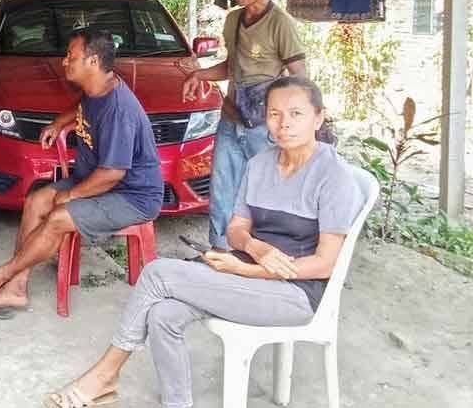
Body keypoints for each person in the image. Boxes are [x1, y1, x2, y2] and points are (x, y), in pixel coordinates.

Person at [44, 76, 363, 408]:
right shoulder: (259, 164)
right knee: (163, 314)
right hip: (248, 268)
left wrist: (247, 269)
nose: (284, 124)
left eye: (296, 114)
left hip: (295, 292)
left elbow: (325, 263)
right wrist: (257, 249)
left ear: (319, 117)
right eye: (274, 114)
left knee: (156, 274)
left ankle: (104, 376)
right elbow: (237, 229)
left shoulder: (333, 175)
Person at [0, 28, 164, 317]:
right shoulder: (98, 88)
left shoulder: (119, 110)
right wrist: (59, 123)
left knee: (57, 216)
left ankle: (0, 276)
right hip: (95, 181)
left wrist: (70, 195)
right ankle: (17, 287)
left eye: (71, 56)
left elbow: (112, 174)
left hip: (131, 196)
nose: (64, 61)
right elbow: (83, 106)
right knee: (36, 201)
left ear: (93, 62)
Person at [182, 0, 307, 250]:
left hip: (263, 127)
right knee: (222, 188)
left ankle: (261, 253)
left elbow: (300, 77)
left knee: (264, 192)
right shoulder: (234, 19)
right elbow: (230, 67)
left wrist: (291, 122)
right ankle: (219, 252)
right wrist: (198, 76)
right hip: (231, 118)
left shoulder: (280, 24)